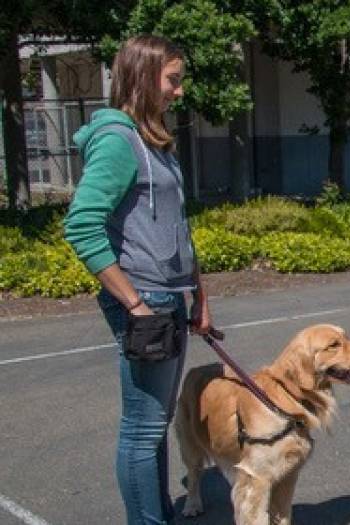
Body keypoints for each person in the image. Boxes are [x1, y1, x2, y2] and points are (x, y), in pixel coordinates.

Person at [64, 35, 212, 525]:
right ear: (144, 76)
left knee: (155, 426)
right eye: (173, 79)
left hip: (168, 297)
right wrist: (133, 305)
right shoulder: (118, 140)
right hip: (144, 298)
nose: (179, 91)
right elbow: (82, 223)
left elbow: (179, 226)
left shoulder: (155, 142)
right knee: (142, 430)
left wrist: (199, 297)